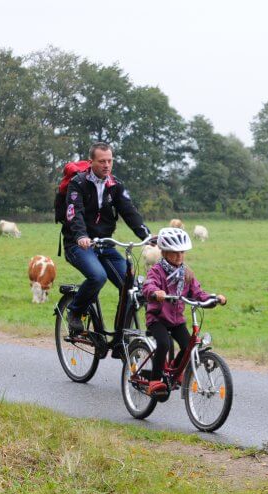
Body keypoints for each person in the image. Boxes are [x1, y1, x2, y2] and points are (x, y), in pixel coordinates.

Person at [61, 142, 150, 337]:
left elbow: (129, 211)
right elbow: (74, 213)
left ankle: (121, 335)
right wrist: (81, 236)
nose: (107, 165)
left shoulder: (115, 185)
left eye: (110, 160)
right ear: (91, 162)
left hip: (105, 244)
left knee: (131, 287)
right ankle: (75, 311)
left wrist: (147, 235)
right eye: (102, 161)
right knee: (98, 276)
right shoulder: (78, 183)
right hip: (78, 245)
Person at [140, 228, 226, 396]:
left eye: (182, 252)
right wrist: (155, 293)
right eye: (174, 253)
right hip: (158, 318)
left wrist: (214, 299)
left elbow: (198, 293)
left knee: (189, 346)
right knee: (164, 343)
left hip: (177, 319)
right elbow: (148, 285)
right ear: (164, 252)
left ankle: (176, 372)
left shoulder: (186, 273)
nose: (179, 256)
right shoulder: (157, 270)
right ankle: (154, 381)